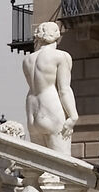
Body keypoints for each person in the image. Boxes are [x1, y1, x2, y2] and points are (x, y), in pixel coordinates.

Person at [24, 20, 77, 155]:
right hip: (51, 107)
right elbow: (64, 90)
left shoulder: (28, 60)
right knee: (62, 165)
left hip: (32, 111)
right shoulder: (61, 56)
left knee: (40, 166)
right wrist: (73, 115)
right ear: (56, 35)